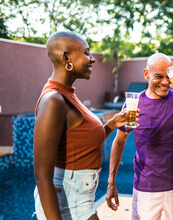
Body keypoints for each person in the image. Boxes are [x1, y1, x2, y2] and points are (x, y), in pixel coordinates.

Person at [33, 31, 133, 220]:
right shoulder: (54, 100)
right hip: (66, 200)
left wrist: (112, 124)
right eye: (86, 53)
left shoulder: (68, 94)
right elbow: (42, 176)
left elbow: (81, 143)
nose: (93, 59)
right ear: (66, 57)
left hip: (80, 196)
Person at [105, 53, 173, 220]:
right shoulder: (134, 105)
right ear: (146, 74)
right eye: (159, 76)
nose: (165, 82)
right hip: (145, 189)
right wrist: (111, 181)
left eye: (168, 76)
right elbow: (119, 142)